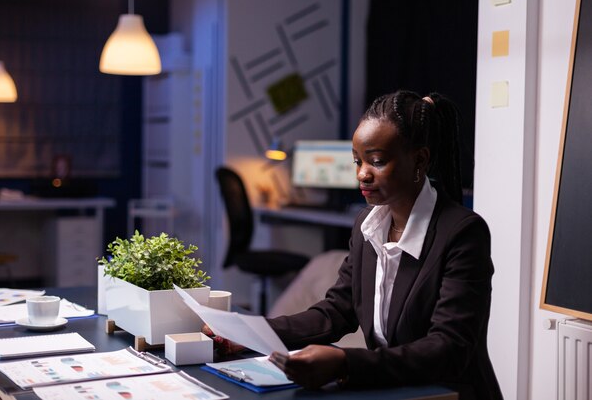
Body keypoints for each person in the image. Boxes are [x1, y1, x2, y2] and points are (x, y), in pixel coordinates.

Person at [208, 90, 502, 400]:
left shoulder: (462, 233)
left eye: (377, 161)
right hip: (395, 391)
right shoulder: (367, 225)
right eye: (357, 161)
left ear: (420, 160)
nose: (362, 173)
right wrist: (252, 333)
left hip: (448, 394)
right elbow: (336, 311)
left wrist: (345, 362)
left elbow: (449, 348)